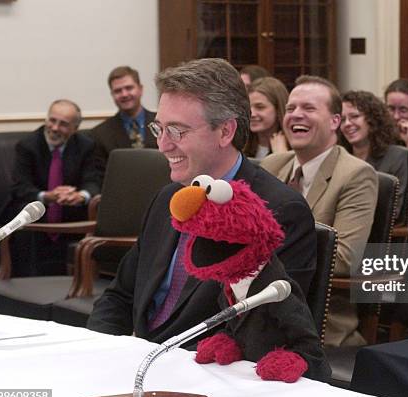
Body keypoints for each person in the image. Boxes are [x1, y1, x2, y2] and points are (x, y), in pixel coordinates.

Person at [87, 58, 317, 346]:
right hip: (142, 361)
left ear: (225, 131)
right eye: (159, 129)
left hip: (209, 373)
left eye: (177, 131)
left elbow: (262, 331)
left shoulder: (278, 210)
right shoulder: (167, 198)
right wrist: (96, 350)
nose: (163, 145)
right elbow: (121, 294)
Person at [261, 75, 378, 347]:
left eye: (309, 108)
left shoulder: (356, 175)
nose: (296, 115)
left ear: (335, 121)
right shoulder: (271, 165)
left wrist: (263, 253)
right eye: (290, 109)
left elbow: (347, 258)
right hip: (256, 309)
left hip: (318, 321)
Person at [2, 100, 100, 276]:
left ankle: (84, 281)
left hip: (70, 210)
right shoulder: (27, 145)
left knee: (94, 213)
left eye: (63, 124)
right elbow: (20, 187)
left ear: (75, 128)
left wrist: (81, 196)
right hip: (37, 210)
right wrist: (47, 196)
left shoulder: (87, 146)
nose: (54, 127)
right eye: (52, 120)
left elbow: (93, 181)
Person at [339, 90, 408, 210]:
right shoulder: (338, 156)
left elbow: (394, 211)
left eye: (355, 116)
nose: (347, 124)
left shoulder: (396, 156)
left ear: (372, 119)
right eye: (343, 119)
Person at [91, 66, 157, 184]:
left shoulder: (162, 123)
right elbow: (101, 178)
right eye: (118, 91)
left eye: (129, 88)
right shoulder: (99, 134)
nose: (124, 94)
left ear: (140, 89)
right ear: (112, 95)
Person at [243, 77, 290, 159]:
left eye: (260, 107)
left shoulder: (295, 147)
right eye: (248, 107)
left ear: (278, 109)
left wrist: (281, 157)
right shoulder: (239, 146)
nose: (252, 114)